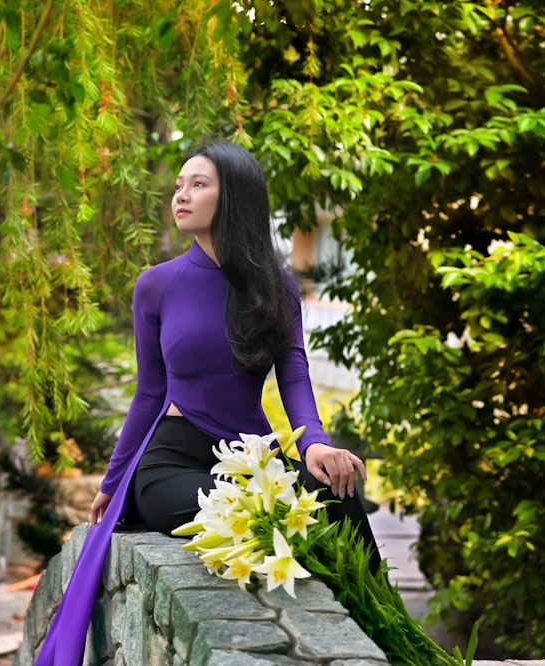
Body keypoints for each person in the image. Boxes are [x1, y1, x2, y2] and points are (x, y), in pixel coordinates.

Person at [35, 141, 381, 666]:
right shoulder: (156, 286)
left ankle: (381, 636)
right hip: (170, 462)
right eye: (179, 185)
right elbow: (149, 392)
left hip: (252, 458)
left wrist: (314, 444)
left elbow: (294, 376)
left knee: (338, 490)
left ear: (234, 196)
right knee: (249, 514)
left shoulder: (276, 288)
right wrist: (112, 484)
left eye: (198, 184)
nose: (181, 194)